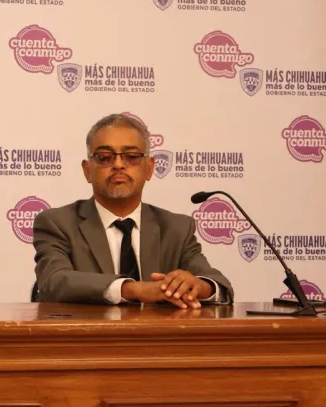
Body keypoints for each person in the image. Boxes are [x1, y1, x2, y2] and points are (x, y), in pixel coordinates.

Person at [32, 113, 233, 308]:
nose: (118, 165)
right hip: (89, 331)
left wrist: (200, 287)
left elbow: (219, 285)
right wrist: (132, 290)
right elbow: (52, 282)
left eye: (132, 157)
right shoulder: (58, 223)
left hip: (158, 331)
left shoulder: (176, 228)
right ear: (87, 171)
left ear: (149, 168)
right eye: (104, 157)